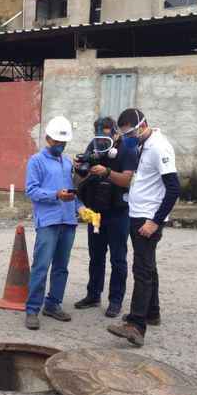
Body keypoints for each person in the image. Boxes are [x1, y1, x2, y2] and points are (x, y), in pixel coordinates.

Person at [107, 108, 180, 347]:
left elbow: (173, 188)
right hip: (138, 213)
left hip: (148, 218)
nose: (129, 137)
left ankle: (136, 325)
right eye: (126, 134)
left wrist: (155, 221)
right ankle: (152, 312)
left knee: (142, 270)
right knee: (149, 267)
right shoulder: (143, 144)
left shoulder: (159, 147)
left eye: (132, 132)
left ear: (143, 124)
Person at [73, 117, 138, 318]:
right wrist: (79, 167)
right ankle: (93, 295)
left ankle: (116, 301)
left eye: (107, 134)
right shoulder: (94, 146)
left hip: (118, 212)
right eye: (99, 136)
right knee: (96, 257)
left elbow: (127, 179)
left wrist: (107, 172)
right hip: (96, 213)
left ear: (116, 133)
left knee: (118, 259)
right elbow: (81, 177)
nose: (102, 140)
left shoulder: (126, 149)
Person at [24, 116, 83, 331]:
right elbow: (31, 191)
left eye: (63, 143)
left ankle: (53, 304)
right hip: (48, 221)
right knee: (41, 266)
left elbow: (73, 191)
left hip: (68, 220)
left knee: (61, 267)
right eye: (58, 142)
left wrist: (80, 207)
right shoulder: (36, 161)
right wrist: (55, 195)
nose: (61, 146)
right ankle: (32, 309)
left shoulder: (67, 162)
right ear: (48, 139)